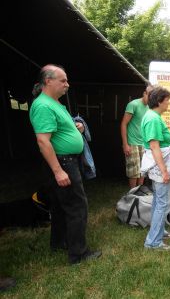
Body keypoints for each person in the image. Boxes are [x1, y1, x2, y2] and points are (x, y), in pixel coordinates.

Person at [29, 64, 101, 264]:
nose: (67, 85)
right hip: (62, 163)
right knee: (77, 207)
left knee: (60, 206)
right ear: (48, 81)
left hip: (66, 160)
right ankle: (78, 254)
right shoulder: (43, 105)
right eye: (63, 80)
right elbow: (43, 141)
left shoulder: (54, 103)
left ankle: (59, 242)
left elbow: (59, 129)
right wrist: (58, 171)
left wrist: (76, 127)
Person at [140, 86, 170, 250]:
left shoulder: (154, 115)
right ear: (160, 101)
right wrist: (164, 172)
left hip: (161, 163)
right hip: (160, 165)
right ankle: (153, 242)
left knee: (159, 200)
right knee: (163, 203)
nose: (169, 102)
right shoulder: (153, 118)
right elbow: (155, 146)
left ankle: (159, 230)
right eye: (167, 99)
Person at [121, 85, 153, 189]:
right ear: (144, 93)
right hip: (132, 142)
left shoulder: (150, 108)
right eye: (150, 96)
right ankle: (132, 194)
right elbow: (123, 124)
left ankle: (139, 191)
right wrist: (125, 144)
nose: (151, 99)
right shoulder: (133, 104)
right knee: (133, 171)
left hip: (144, 143)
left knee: (142, 170)